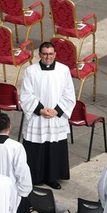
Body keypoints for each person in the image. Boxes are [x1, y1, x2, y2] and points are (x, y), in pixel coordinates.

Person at [20, 41, 76, 189]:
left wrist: (57, 110)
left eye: (50, 54)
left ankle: (52, 178)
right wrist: (40, 109)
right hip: (38, 116)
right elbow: (26, 95)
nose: (48, 57)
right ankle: (35, 177)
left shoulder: (64, 70)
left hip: (55, 117)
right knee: (36, 147)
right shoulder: (31, 71)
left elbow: (69, 94)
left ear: (55, 54)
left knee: (53, 147)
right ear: (39, 55)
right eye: (45, 54)